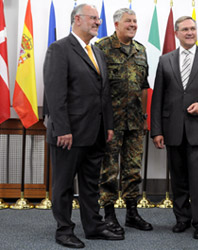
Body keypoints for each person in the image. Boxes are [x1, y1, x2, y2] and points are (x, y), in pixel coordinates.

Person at [43, 4, 124, 248]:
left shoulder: (97, 52)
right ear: (77, 19)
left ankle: (93, 226)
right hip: (69, 134)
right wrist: (63, 128)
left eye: (98, 20)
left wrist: (108, 125)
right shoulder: (59, 49)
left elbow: (104, 93)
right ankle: (64, 230)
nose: (98, 23)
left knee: (90, 185)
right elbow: (55, 95)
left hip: (96, 132)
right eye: (93, 18)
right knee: (64, 185)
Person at [150, 16, 198, 240]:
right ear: (177, 33)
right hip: (172, 130)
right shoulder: (165, 60)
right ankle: (182, 218)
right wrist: (157, 131)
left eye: (193, 28)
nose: (190, 32)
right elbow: (158, 99)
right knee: (179, 178)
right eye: (185, 29)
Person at [95, 8, 152, 235]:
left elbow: (144, 86)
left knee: (133, 170)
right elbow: (96, 86)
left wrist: (144, 117)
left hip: (135, 123)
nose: (133, 24)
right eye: (128, 21)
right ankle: (109, 215)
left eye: (135, 21)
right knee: (109, 170)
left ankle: (132, 213)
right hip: (111, 122)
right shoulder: (102, 48)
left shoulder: (141, 50)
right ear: (116, 24)